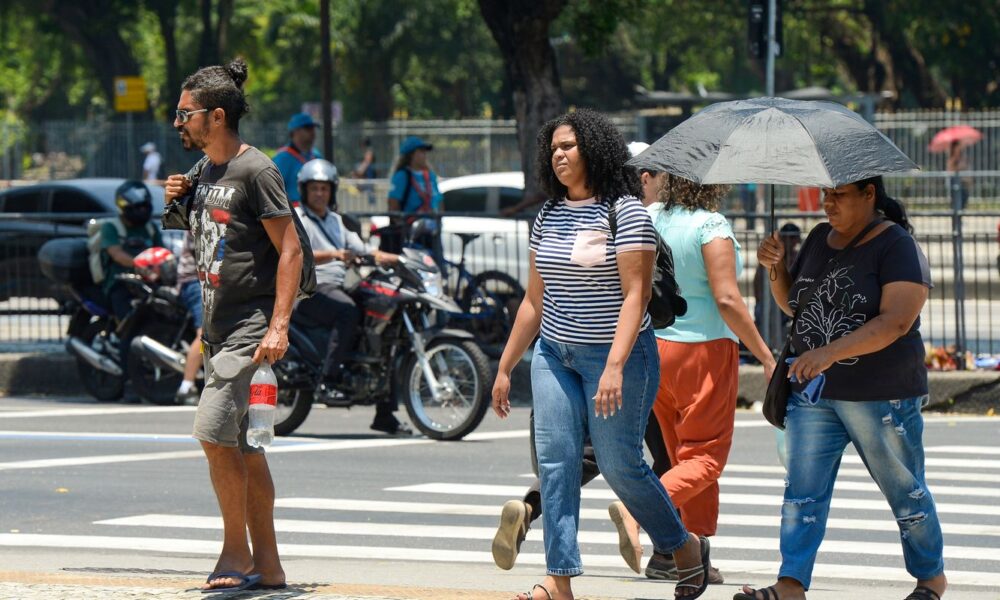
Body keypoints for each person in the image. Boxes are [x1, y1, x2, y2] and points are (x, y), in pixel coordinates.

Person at [492, 109, 710, 600]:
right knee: (556, 463)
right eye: (553, 148)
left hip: (620, 358)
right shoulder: (548, 214)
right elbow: (533, 300)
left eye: (568, 146)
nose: (559, 155)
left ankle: (683, 545)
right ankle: (559, 580)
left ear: (594, 150)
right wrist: (505, 367)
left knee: (620, 465)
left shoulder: (625, 212)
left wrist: (614, 365)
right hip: (555, 354)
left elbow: (636, 295)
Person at [739, 176, 945, 600]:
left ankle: (930, 579)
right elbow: (795, 305)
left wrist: (829, 353)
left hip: (880, 393)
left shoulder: (897, 245)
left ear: (869, 195)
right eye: (825, 195)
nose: (828, 204)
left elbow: (896, 321)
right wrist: (776, 268)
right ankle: (791, 582)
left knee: (905, 490)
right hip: (813, 393)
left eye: (839, 195)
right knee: (802, 493)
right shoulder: (818, 237)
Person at [163, 58, 302, 593]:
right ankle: (269, 564)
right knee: (245, 448)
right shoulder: (205, 171)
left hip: (251, 327)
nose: (178, 122)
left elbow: (289, 249)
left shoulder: (256, 170)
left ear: (216, 116)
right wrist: (177, 199)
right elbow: (204, 233)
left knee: (212, 432)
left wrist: (279, 325)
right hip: (218, 328)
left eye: (185, 113)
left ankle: (235, 552)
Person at [611, 173, 777, 585]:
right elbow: (727, 298)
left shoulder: (651, 216)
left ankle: (696, 552)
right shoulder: (711, 226)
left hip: (656, 347)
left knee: (686, 460)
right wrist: (765, 355)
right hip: (704, 351)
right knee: (706, 459)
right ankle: (636, 509)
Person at [293, 158, 412, 436]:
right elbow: (297, 254)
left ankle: (385, 413)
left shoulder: (337, 221)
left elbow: (363, 250)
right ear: (304, 190)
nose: (319, 193)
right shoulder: (297, 219)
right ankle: (329, 378)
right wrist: (335, 254)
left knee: (384, 323)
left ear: (332, 191)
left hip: (337, 287)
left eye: (324, 188)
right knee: (347, 309)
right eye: (314, 188)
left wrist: (396, 259)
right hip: (309, 288)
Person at [100, 180, 163, 323]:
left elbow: (161, 252)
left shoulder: (150, 228)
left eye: (144, 206)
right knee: (129, 322)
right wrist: (140, 265)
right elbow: (116, 254)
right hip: (119, 283)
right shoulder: (111, 227)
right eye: (138, 207)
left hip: (149, 282)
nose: (142, 211)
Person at [384, 136, 443, 259]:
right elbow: (393, 204)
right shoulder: (402, 175)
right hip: (411, 235)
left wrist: (438, 221)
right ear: (411, 155)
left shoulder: (430, 176)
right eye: (421, 151)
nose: (425, 155)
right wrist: (403, 229)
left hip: (431, 233)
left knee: (437, 265)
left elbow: (439, 200)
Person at [753, 223, 802, 346]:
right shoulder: (770, 257)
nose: (789, 241)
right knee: (761, 312)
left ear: (798, 239)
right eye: (786, 237)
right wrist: (759, 300)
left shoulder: (799, 257)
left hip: (789, 304)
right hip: (768, 302)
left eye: (793, 237)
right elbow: (757, 281)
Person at [174, 233, 204, 406]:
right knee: (205, 334)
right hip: (194, 280)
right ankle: (186, 386)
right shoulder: (202, 218)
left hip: (210, 280)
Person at [272, 112, 321, 205]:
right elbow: (273, 189)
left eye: (313, 128)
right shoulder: (283, 158)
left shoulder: (317, 156)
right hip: (293, 211)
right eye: (308, 128)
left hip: (316, 210)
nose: (313, 132)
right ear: (295, 131)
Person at [947, 141, 970, 210]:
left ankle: (959, 215)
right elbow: (950, 169)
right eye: (957, 147)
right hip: (955, 182)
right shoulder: (951, 158)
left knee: (964, 200)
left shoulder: (963, 158)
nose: (959, 149)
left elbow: (966, 167)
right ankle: (956, 216)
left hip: (963, 182)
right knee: (956, 202)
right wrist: (958, 167)